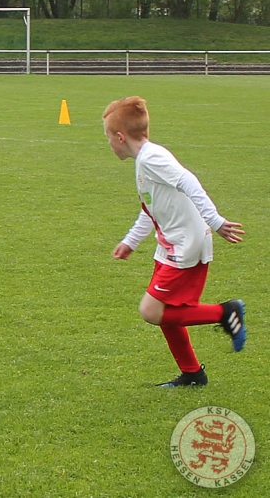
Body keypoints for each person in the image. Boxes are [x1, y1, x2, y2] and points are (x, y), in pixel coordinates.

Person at [104, 96, 246, 387]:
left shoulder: (152, 158)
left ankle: (226, 312)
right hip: (170, 243)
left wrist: (215, 220)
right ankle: (192, 373)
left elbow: (188, 181)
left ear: (120, 137)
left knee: (151, 311)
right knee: (166, 312)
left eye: (107, 138)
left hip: (185, 245)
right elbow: (151, 207)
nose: (108, 144)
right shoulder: (144, 160)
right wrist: (131, 241)